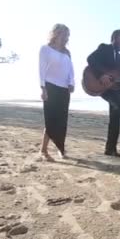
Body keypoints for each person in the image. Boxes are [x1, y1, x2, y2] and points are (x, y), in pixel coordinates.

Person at [87, 29, 120, 157]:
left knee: (114, 119)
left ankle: (111, 149)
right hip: (102, 86)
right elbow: (90, 59)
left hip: (116, 89)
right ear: (114, 38)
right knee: (118, 106)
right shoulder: (104, 48)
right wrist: (101, 75)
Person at [39, 23, 74, 160]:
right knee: (51, 121)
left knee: (62, 122)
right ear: (56, 34)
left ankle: (61, 149)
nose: (66, 38)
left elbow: (71, 70)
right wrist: (43, 88)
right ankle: (43, 150)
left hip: (64, 89)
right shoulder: (45, 49)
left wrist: (72, 83)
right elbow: (41, 70)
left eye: (68, 35)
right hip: (50, 87)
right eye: (65, 35)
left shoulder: (67, 52)